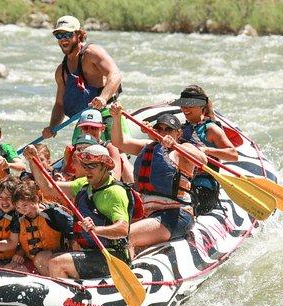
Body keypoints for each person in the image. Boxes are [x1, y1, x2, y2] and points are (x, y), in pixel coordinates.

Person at [110, 103, 207, 252]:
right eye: (159, 129)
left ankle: (128, 271)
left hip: (176, 214)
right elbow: (119, 142)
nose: (163, 132)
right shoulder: (147, 146)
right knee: (110, 233)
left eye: (169, 129)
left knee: (123, 236)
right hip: (148, 213)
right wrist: (116, 117)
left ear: (178, 133)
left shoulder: (183, 150)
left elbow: (202, 161)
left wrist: (175, 145)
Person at [24, 144, 131, 279]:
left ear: (104, 166)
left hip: (112, 255)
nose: (87, 171)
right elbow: (48, 188)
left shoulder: (114, 192)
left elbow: (122, 229)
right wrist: (33, 161)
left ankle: (67, 297)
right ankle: (74, 286)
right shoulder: (83, 184)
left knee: (56, 263)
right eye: (85, 166)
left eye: (92, 166)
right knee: (42, 259)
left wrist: (96, 229)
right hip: (89, 252)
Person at [42, 15, 122, 140]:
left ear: (78, 35)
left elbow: (115, 74)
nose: (63, 39)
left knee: (113, 150)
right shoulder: (61, 71)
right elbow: (59, 104)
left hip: (108, 113)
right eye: (59, 35)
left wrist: (103, 98)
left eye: (67, 34)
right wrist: (52, 127)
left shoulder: (91, 53)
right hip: (85, 120)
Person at [171, 85, 238, 215]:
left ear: (202, 106)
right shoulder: (182, 129)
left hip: (204, 187)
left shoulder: (211, 129)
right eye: (183, 105)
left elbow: (233, 154)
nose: (185, 109)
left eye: (189, 105)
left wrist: (206, 150)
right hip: (183, 183)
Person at [11, 179, 74, 275]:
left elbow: (73, 234)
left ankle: (56, 283)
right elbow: (23, 242)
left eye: (25, 205)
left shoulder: (53, 213)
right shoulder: (18, 218)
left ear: (36, 199)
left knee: (40, 258)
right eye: (18, 207)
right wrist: (20, 253)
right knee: (12, 269)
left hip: (57, 257)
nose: (22, 210)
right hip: (33, 261)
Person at [75, 108, 134, 182]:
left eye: (94, 128)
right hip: (79, 186)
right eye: (85, 128)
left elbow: (115, 177)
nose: (89, 131)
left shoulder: (110, 147)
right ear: (81, 129)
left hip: (102, 186)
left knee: (122, 156)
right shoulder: (76, 148)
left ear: (102, 129)